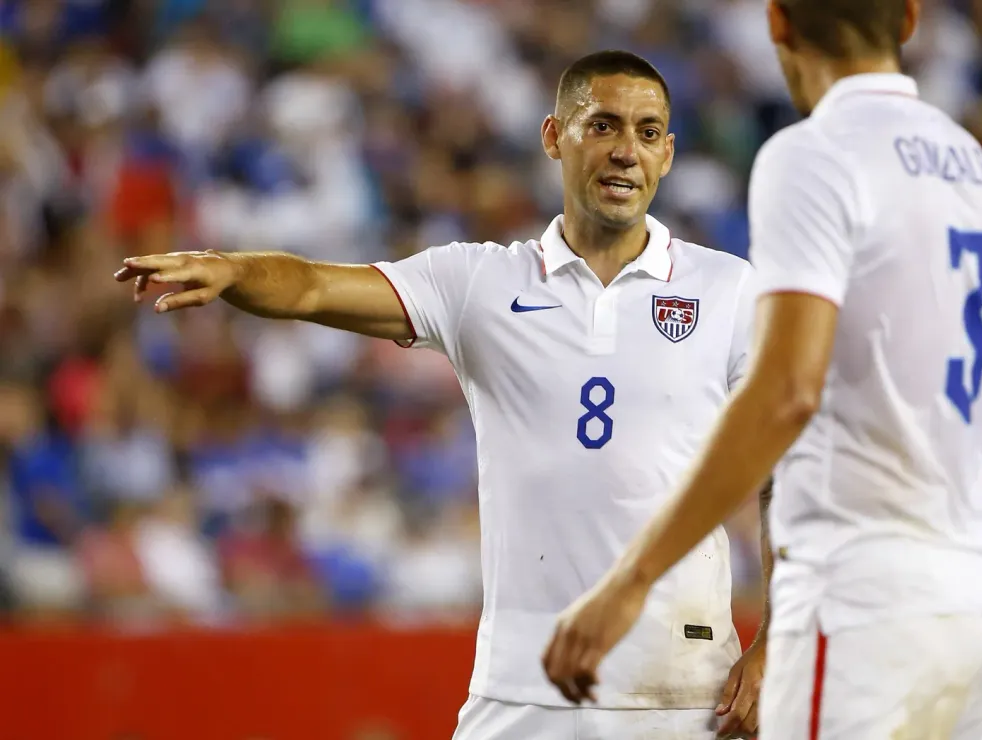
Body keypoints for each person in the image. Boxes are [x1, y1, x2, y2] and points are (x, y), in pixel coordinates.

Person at [115, 50, 770, 739]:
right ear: (554, 137)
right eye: (602, 126)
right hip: (523, 689)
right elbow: (313, 284)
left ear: (667, 154)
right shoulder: (478, 285)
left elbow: (790, 470)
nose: (625, 152)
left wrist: (777, 637)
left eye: (646, 132)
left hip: (684, 691)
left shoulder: (728, 291)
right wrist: (232, 268)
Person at [542, 3, 982, 740]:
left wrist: (633, 579)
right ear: (910, 19)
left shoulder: (814, 155)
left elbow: (787, 391)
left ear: (778, 23)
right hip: (978, 606)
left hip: (862, 606)